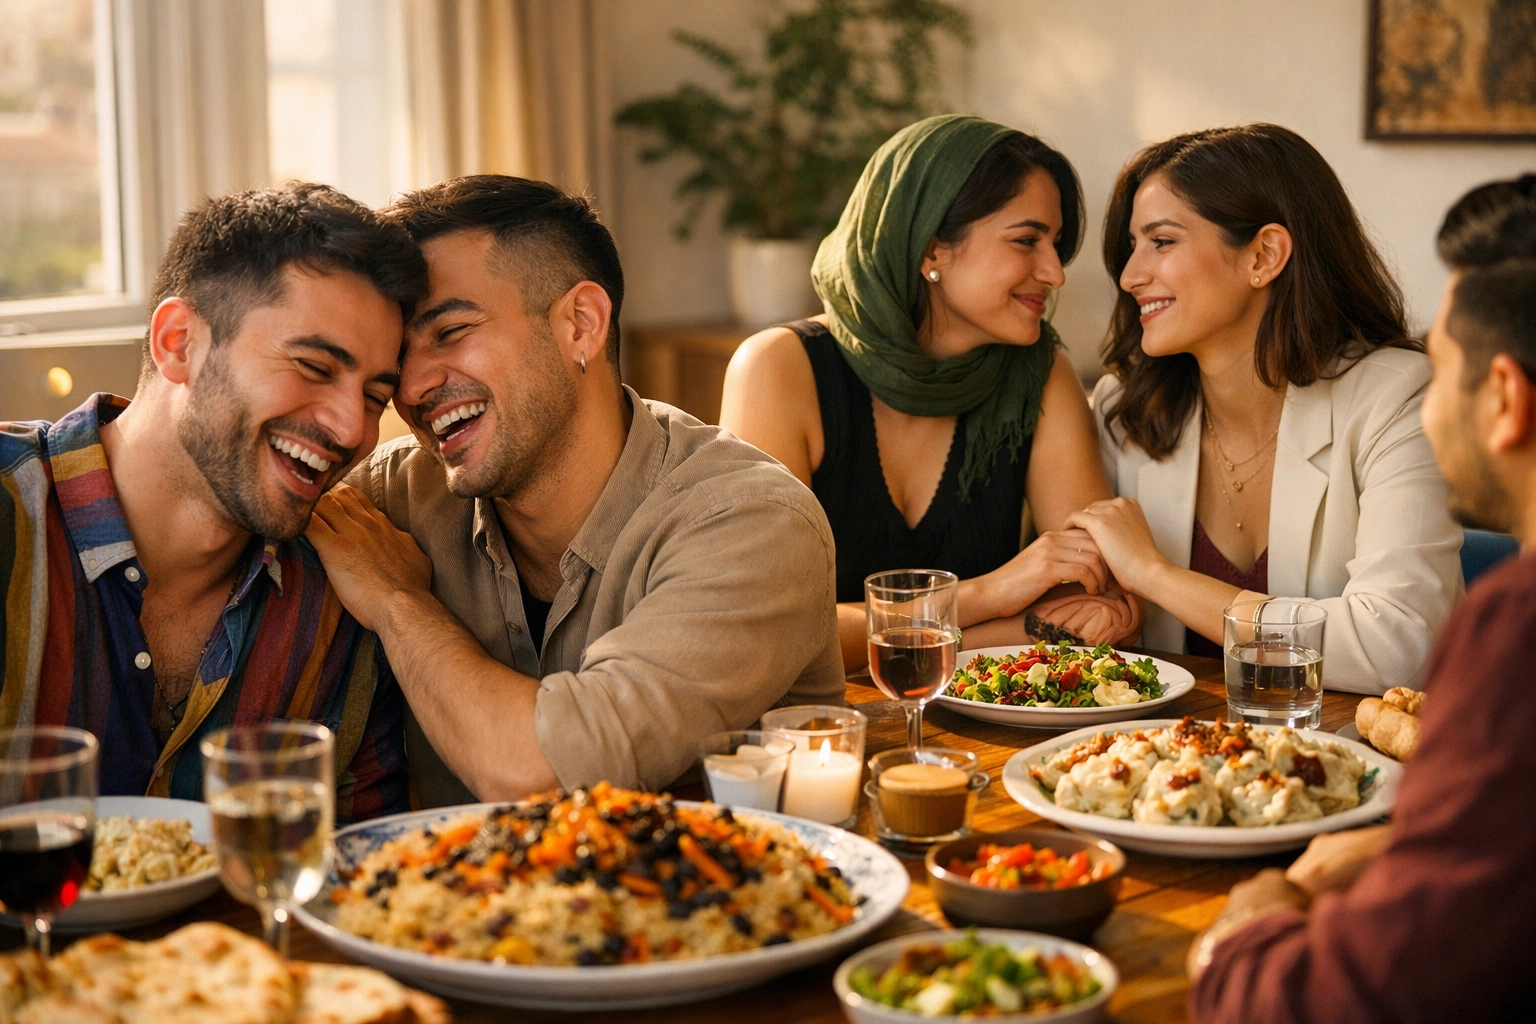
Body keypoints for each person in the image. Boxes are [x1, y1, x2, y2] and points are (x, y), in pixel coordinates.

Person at [305, 175, 844, 808]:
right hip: (447, 899)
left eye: (451, 331)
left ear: (581, 325)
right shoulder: (393, 497)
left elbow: (539, 774)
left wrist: (399, 602)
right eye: (401, 356)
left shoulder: (752, 523)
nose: (415, 387)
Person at [1186, 175, 1536, 1023]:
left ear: (1505, 399)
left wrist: (1245, 929)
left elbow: (1335, 1001)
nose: (1422, 415)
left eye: (1440, 369)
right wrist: (1405, 847)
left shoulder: (1517, 629)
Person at [0, 183, 425, 821]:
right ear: (178, 343)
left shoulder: (346, 598)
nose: (350, 430)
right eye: (313, 366)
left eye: (375, 396)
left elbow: (354, 874)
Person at [721, 115, 1138, 674]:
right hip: (816, 732)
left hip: (988, 726)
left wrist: (924, 632)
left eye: (1056, 245)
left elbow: (1093, 599)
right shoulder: (778, 370)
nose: (1054, 273)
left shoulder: (1041, 374)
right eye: (1026, 241)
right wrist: (994, 597)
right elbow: (767, 629)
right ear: (931, 248)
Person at [1070, 124, 1462, 694]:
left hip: (1356, 760)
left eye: (1161, 241)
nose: (1130, 276)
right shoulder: (1126, 407)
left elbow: (1396, 648)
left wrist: (1155, 576)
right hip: (1173, 763)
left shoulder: (1397, 397)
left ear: (1264, 254)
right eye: (1132, 246)